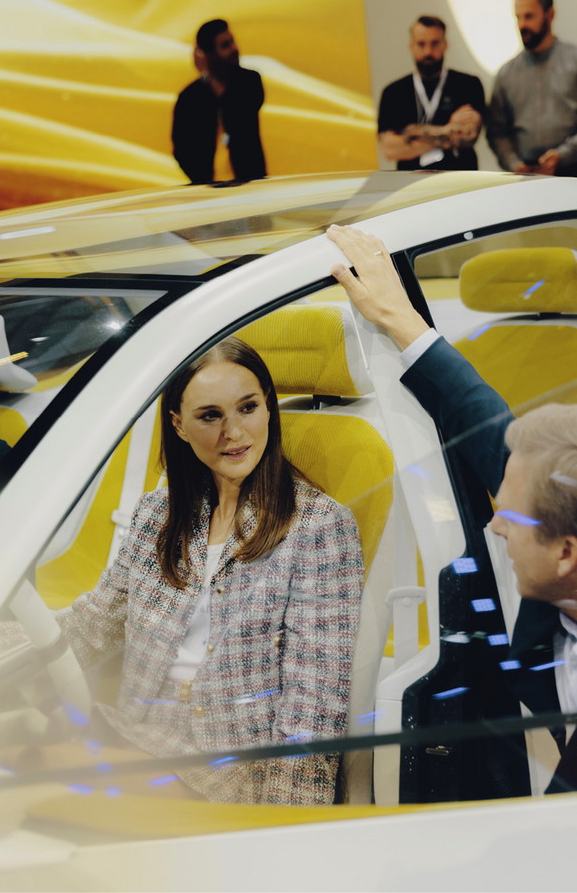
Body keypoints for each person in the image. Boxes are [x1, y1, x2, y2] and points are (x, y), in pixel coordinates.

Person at [54, 336, 363, 805]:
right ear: (179, 425)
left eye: (248, 408)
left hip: (232, 773)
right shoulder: (157, 514)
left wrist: (285, 825)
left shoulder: (319, 526)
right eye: (210, 416)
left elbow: (313, 705)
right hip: (134, 737)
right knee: (11, 748)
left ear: (268, 407)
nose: (233, 432)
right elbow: (92, 626)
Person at [326, 223, 577, 793]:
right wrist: (399, 317)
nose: (495, 524)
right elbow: (483, 419)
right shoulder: (559, 509)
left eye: (512, 518)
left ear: (565, 553)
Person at [487, 0, 577, 176]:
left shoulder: (574, 61)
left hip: (572, 176)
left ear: (550, 15)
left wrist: (563, 154)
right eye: (517, 18)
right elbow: (497, 131)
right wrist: (513, 163)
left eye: (529, 16)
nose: (522, 25)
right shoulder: (506, 73)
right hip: (525, 179)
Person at [377, 15, 486, 171]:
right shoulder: (393, 93)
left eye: (435, 43)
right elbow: (390, 150)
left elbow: (467, 136)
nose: (428, 52)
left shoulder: (468, 85)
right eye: (421, 44)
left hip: (460, 177)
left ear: (445, 45)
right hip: (411, 181)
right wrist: (447, 130)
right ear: (411, 47)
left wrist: (411, 135)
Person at [171, 19, 267, 185]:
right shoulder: (190, 98)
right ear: (209, 54)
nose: (234, 49)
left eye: (232, 42)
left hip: (251, 185)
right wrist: (199, 176)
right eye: (225, 45)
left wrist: (211, 80)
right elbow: (181, 148)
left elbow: (239, 115)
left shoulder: (249, 81)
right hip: (207, 190)